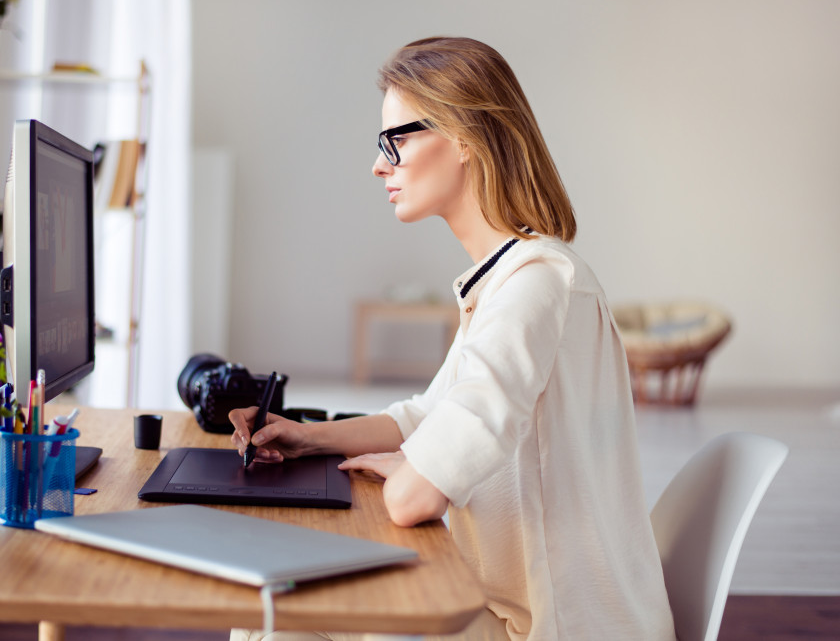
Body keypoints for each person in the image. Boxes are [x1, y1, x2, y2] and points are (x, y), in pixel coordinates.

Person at [228, 37, 676, 641]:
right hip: (507, 605)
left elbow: (413, 499)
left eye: (398, 139)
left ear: (465, 137)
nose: (380, 164)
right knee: (291, 604)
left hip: (544, 627)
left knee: (280, 617)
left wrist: (412, 467)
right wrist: (310, 437)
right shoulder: (510, 279)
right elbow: (426, 416)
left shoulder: (536, 287)